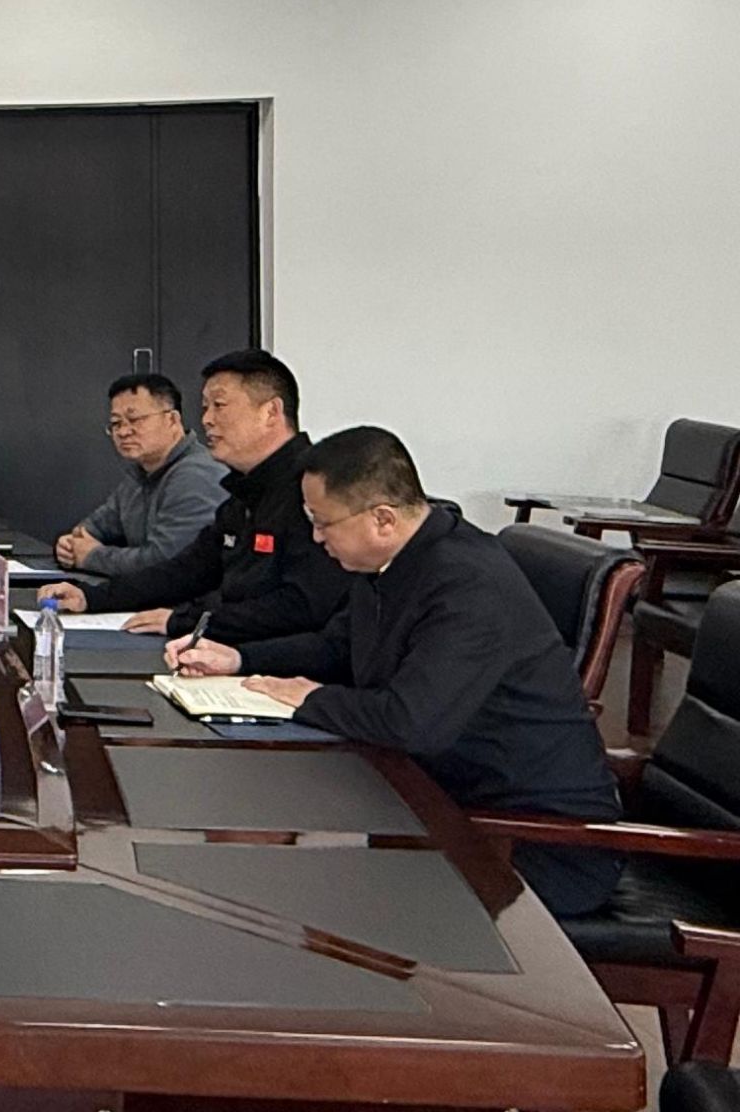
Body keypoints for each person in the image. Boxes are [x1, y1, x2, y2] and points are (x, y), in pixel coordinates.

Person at [166, 426, 622, 916]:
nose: (316, 538)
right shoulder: (391, 563)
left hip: (531, 844)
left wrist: (308, 698)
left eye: (322, 523)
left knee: (296, 896)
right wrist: (239, 659)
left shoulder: (468, 584)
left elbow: (410, 722)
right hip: (436, 800)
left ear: (382, 519)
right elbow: (336, 647)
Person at [39, 350, 350, 643]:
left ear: (271, 412)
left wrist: (189, 621)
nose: (207, 420)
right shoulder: (243, 494)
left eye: (219, 405)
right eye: (205, 408)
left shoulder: (316, 489)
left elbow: (303, 605)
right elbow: (186, 571)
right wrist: (91, 597)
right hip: (235, 649)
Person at [54, 373, 227, 577]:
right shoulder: (139, 476)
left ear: (172, 419)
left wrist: (91, 556)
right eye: (116, 423)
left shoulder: (197, 475)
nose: (123, 432)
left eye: (135, 420)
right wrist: (69, 546)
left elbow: (165, 563)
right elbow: (92, 529)